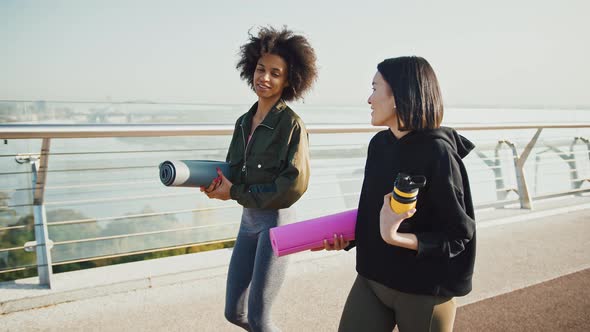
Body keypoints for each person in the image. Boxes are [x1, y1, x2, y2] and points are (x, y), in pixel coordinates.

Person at [317, 56, 476, 332]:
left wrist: (395, 237)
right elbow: (373, 211)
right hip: (372, 278)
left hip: (423, 291)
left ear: (399, 96)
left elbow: (458, 236)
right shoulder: (379, 144)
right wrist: (349, 237)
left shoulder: (439, 153)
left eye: (375, 88)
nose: (369, 99)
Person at [201, 26, 317, 332]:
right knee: (234, 313)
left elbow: (293, 185)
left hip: (276, 224)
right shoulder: (243, 122)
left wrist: (236, 192)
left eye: (275, 73)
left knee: (258, 319)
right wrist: (214, 184)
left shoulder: (291, 125)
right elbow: (234, 170)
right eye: (260, 69)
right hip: (248, 222)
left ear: (289, 80)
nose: (264, 78)